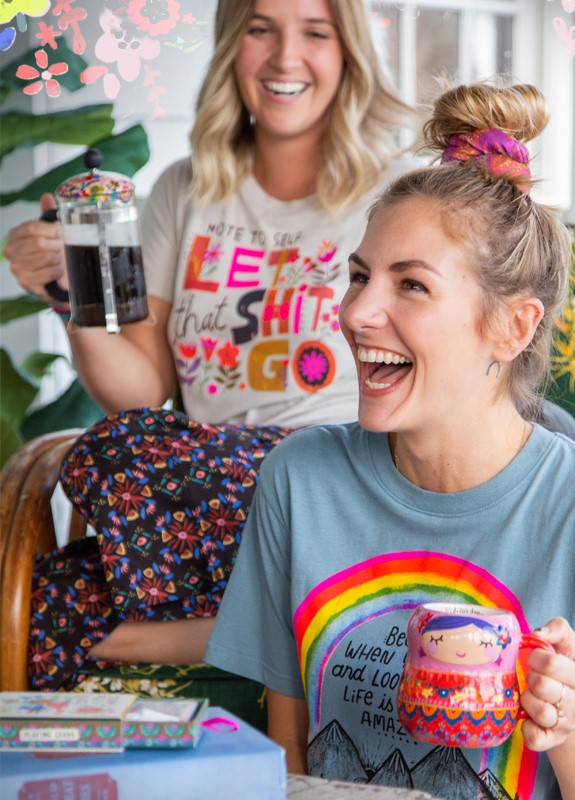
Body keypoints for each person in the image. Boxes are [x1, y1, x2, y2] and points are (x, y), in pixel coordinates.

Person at [204, 81, 575, 800]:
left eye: (411, 286)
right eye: (361, 277)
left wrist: (570, 718)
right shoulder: (298, 479)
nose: (357, 312)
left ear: (512, 327)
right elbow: (290, 753)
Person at [5, 0, 420, 691]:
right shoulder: (185, 189)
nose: (285, 57)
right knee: (57, 581)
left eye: (315, 33)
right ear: (233, 43)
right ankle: (262, 615)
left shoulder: (395, 193)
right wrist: (74, 290)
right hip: (204, 496)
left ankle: (213, 623)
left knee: (151, 460)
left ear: (347, 52)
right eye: (261, 28)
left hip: (341, 477)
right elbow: (139, 390)